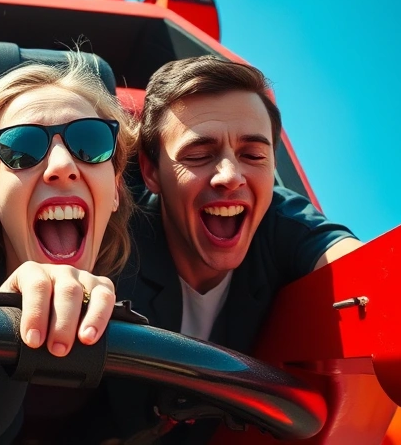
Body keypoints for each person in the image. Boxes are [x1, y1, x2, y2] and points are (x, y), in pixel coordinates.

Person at [108, 55, 362, 443]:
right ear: (150, 172)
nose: (230, 176)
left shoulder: (282, 219)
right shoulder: (110, 230)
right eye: (198, 155)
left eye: (253, 156)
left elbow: (360, 266)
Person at [0, 57, 138, 444]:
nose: (63, 165)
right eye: (22, 148)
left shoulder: (152, 268)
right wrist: (9, 312)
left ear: (115, 187)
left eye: (91, 142)